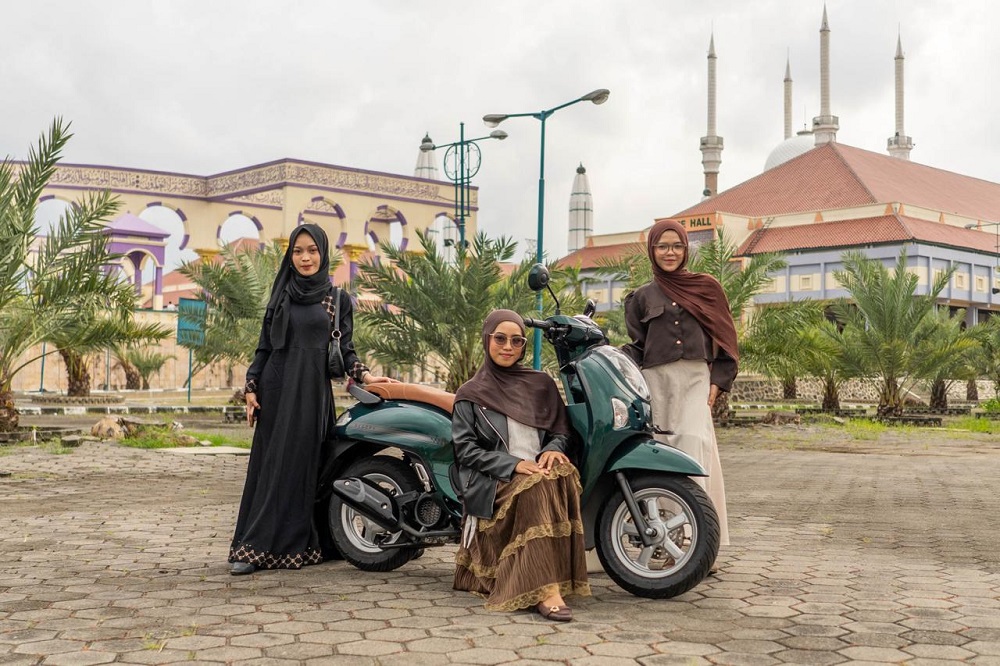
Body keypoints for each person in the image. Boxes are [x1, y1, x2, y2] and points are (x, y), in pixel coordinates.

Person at [229, 223, 393, 575]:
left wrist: (366, 376)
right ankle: (254, 548)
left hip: (311, 396)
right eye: (298, 251)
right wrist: (251, 387)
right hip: (276, 391)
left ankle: (300, 545)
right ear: (290, 254)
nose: (305, 258)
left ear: (323, 253)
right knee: (272, 468)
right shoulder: (281, 295)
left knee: (306, 469)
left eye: (312, 251)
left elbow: (345, 350)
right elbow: (264, 348)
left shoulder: (337, 300)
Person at [451, 310, 590, 621]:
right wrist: (514, 465)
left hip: (539, 471)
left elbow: (561, 431)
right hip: (494, 481)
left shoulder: (540, 384)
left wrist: (552, 450)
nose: (508, 346)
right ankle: (545, 591)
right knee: (536, 484)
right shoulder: (470, 394)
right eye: (500, 338)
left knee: (562, 473)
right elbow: (466, 451)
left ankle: (544, 579)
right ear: (487, 340)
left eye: (516, 340)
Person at [623, 219, 738, 554]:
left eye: (676, 246)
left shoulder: (707, 287)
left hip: (695, 378)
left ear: (686, 249)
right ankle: (666, 535)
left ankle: (698, 538)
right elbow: (637, 346)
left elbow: (727, 337)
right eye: (662, 246)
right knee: (660, 451)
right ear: (652, 250)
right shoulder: (641, 297)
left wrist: (719, 379)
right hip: (655, 381)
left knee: (691, 443)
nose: (669, 253)